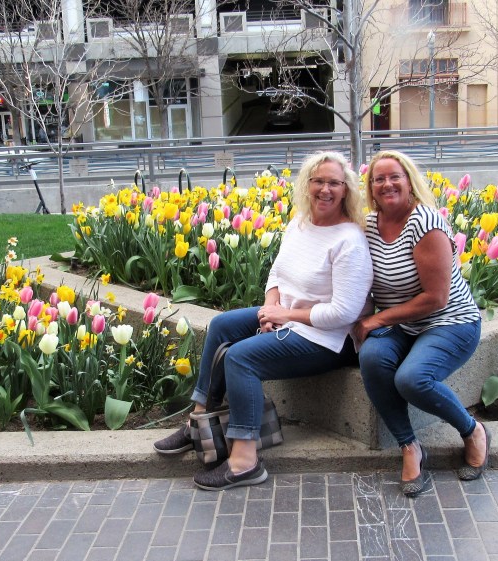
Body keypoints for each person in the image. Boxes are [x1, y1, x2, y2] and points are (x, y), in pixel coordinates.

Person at [153, 151, 373, 491]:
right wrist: (270, 307)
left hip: (328, 338)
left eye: (334, 182)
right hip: (291, 320)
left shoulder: (349, 240)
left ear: (346, 189)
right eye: (318, 181)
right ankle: (198, 422)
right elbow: (277, 273)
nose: (325, 189)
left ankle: (245, 462)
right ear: (307, 185)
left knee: (242, 358)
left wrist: (284, 315)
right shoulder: (299, 224)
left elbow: (343, 312)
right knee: (222, 326)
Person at [353, 150, 487, 498]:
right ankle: (409, 446)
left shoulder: (425, 223)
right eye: (379, 179)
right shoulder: (369, 226)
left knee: (412, 379)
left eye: (394, 176)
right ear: (370, 188)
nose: (387, 184)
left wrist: (376, 319)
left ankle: (472, 431)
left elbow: (436, 298)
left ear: (409, 181)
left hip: (449, 322)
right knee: (371, 358)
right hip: (403, 326)